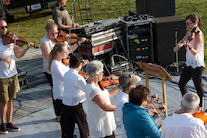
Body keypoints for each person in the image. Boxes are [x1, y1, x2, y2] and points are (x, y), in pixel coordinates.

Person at [40, 19, 86, 121]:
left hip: (61, 65)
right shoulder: (45, 42)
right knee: (56, 90)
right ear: (47, 33)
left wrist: (78, 43)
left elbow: (68, 51)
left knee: (63, 89)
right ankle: (59, 113)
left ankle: (66, 110)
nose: (56, 36)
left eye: (57, 32)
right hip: (50, 69)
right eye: (52, 34)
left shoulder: (61, 39)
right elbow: (49, 58)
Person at [0, 19, 34, 134]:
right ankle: (2, 123)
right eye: (2, 27)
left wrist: (27, 48)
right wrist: (3, 58)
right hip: (2, 77)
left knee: (11, 99)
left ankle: (9, 122)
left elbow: (18, 55)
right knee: (3, 101)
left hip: (12, 74)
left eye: (6, 27)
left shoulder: (12, 40)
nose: (5, 29)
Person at [173, 14, 205, 108]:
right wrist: (178, 46)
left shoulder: (199, 35)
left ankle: (200, 107)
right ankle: (187, 105)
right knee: (181, 84)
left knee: (198, 87)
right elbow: (182, 41)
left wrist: (190, 47)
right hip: (189, 63)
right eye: (186, 24)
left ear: (195, 23)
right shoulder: (190, 32)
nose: (187, 26)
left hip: (197, 64)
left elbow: (195, 52)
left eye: (189, 24)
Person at [85, 60, 119, 138]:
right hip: (102, 125)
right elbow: (105, 107)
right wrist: (121, 106)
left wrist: (119, 87)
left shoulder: (95, 84)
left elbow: (108, 95)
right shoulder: (93, 90)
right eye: (102, 72)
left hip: (105, 122)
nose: (103, 74)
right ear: (96, 75)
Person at [62, 52, 89, 138]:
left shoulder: (66, 73)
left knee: (68, 129)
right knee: (83, 128)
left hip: (65, 105)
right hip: (75, 106)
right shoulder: (78, 78)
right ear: (80, 64)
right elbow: (86, 90)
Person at [47, 43, 69, 123]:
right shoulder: (55, 64)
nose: (67, 53)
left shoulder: (60, 62)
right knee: (65, 118)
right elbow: (64, 78)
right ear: (58, 53)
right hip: (61, 93)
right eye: (65, 51)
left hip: (64, 92)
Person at [116, 72, 141, 138]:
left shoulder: (128, 96)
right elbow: (135, 118)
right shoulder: (123, 102)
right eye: (134, 84)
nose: (136, 86)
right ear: (131, 87)